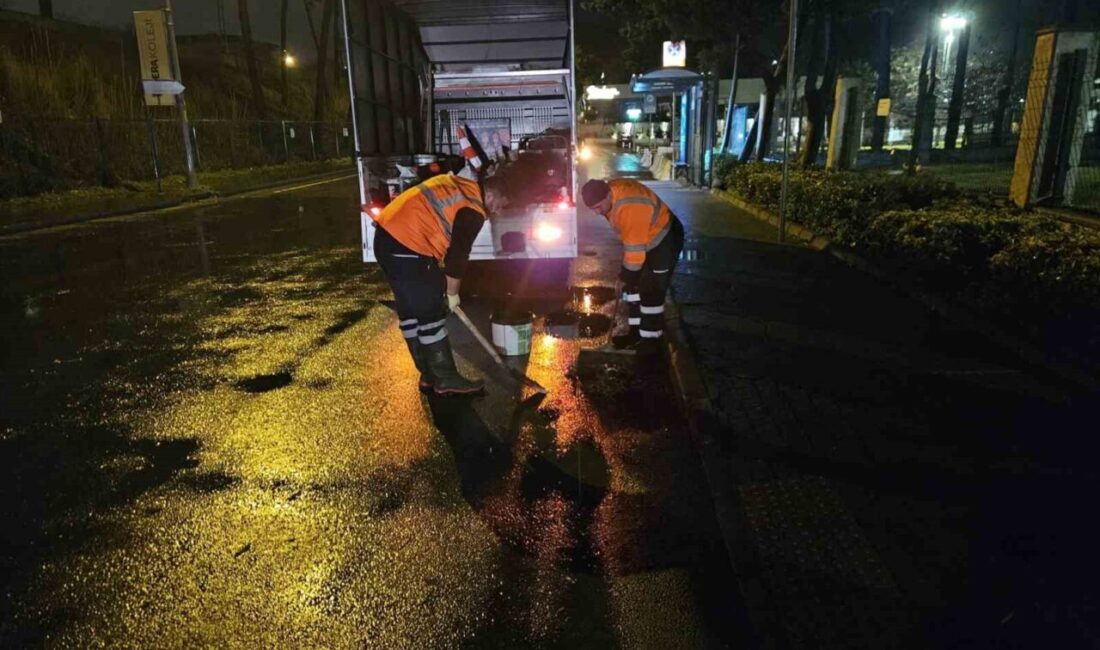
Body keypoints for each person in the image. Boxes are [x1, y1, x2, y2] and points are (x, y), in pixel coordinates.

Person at [372, 170, 507, 396]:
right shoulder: (473, 209)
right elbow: (457, 257)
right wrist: (452, 294)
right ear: (492, 195)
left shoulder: (463, 186)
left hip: (387, 238)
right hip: (408, 244)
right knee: (431, 311)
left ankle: (429, 374)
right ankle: (445, 378)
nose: (499, 211)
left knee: (411, 310)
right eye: (501, 204)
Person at [580, 178, 684, 355]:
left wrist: (624, 276)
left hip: (664, 239)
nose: (597, 213)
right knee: (632, 288)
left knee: (651, 291)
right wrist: (627, 278)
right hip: (643, 239)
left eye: (598, 207)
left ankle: (651, 343)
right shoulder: (611, 195)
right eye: (593, 209)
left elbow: (635, 253)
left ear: (608, 195)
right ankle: (635, 335)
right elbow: (632, 243)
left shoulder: (630, 207)